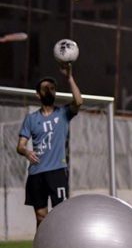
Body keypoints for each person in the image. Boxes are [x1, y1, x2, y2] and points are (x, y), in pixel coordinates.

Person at [16, 64, 83, 228]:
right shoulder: (31, 119)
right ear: (38, 94)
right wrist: (26, 152)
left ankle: (62, 244)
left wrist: (69, 78)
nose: (49, 91)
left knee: (61, 213)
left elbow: (79, 101)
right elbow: (20, 146)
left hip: (57, 171)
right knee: (41, 217)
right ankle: (41, 244)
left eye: (52, 88)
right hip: (36, 173)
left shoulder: (63, 113)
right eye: (45, 88)